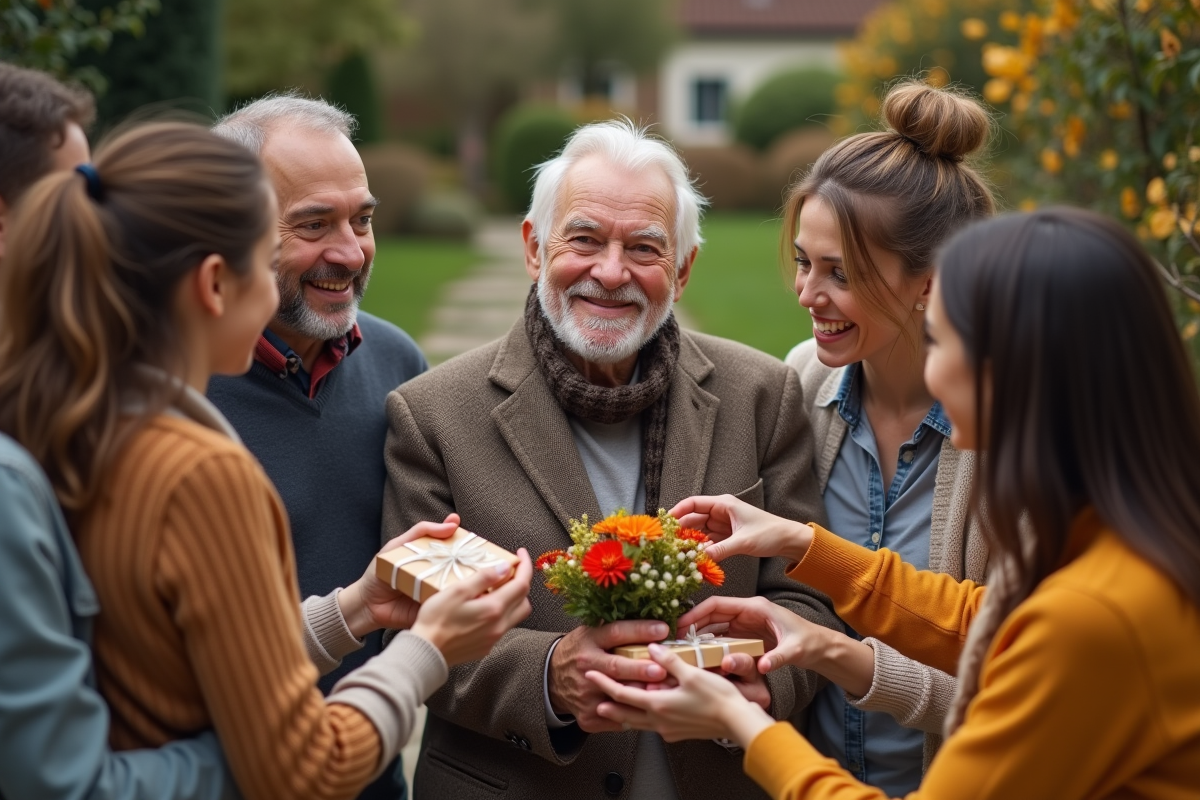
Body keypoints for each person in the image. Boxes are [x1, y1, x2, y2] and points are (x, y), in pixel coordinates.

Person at [583, 207, 1200, 798]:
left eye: (941, 340)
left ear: (1015, 371)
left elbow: (1038, 633)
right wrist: (806, 554)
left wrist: (745, 726)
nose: (930, 373)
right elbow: (990, 622)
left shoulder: (1093, 617)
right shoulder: (1131, 541)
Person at [0, 120, 534, 800]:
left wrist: (354, 608)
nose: (349, 255)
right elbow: (303, 770)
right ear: (214, 284)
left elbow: (191, 659)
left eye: (363, 220)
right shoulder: (202, 469)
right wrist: (425, 649)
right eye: (269, 254)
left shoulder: (78, 414)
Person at [381, 118, 837, 800]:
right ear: (534, 248)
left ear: (682, 271)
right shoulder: (433, 415)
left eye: (644, 248)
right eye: (585, 239)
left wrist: (767, 680)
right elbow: (414, 630)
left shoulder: (761, 395)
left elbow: (812, 597)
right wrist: (549, 675)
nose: (611, 272)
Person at [0, 62, 236, 800]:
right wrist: (262, 749)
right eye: (81, 197)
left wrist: (345, 612)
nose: (110, 231)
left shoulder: (50, 398)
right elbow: (65, 784)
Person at [207, 94, 427, 800]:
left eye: (363, 219)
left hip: (370, 774)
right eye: (313, 225)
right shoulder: (168, 390)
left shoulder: (397, 364)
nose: (351, 252)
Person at [776, 80, 994, 792]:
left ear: (928, 282)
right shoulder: (802, 380)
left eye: (840, 273)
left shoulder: (1009, 431)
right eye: (804, 262)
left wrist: (846, 661)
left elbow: (1012, 680)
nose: (808, 294)